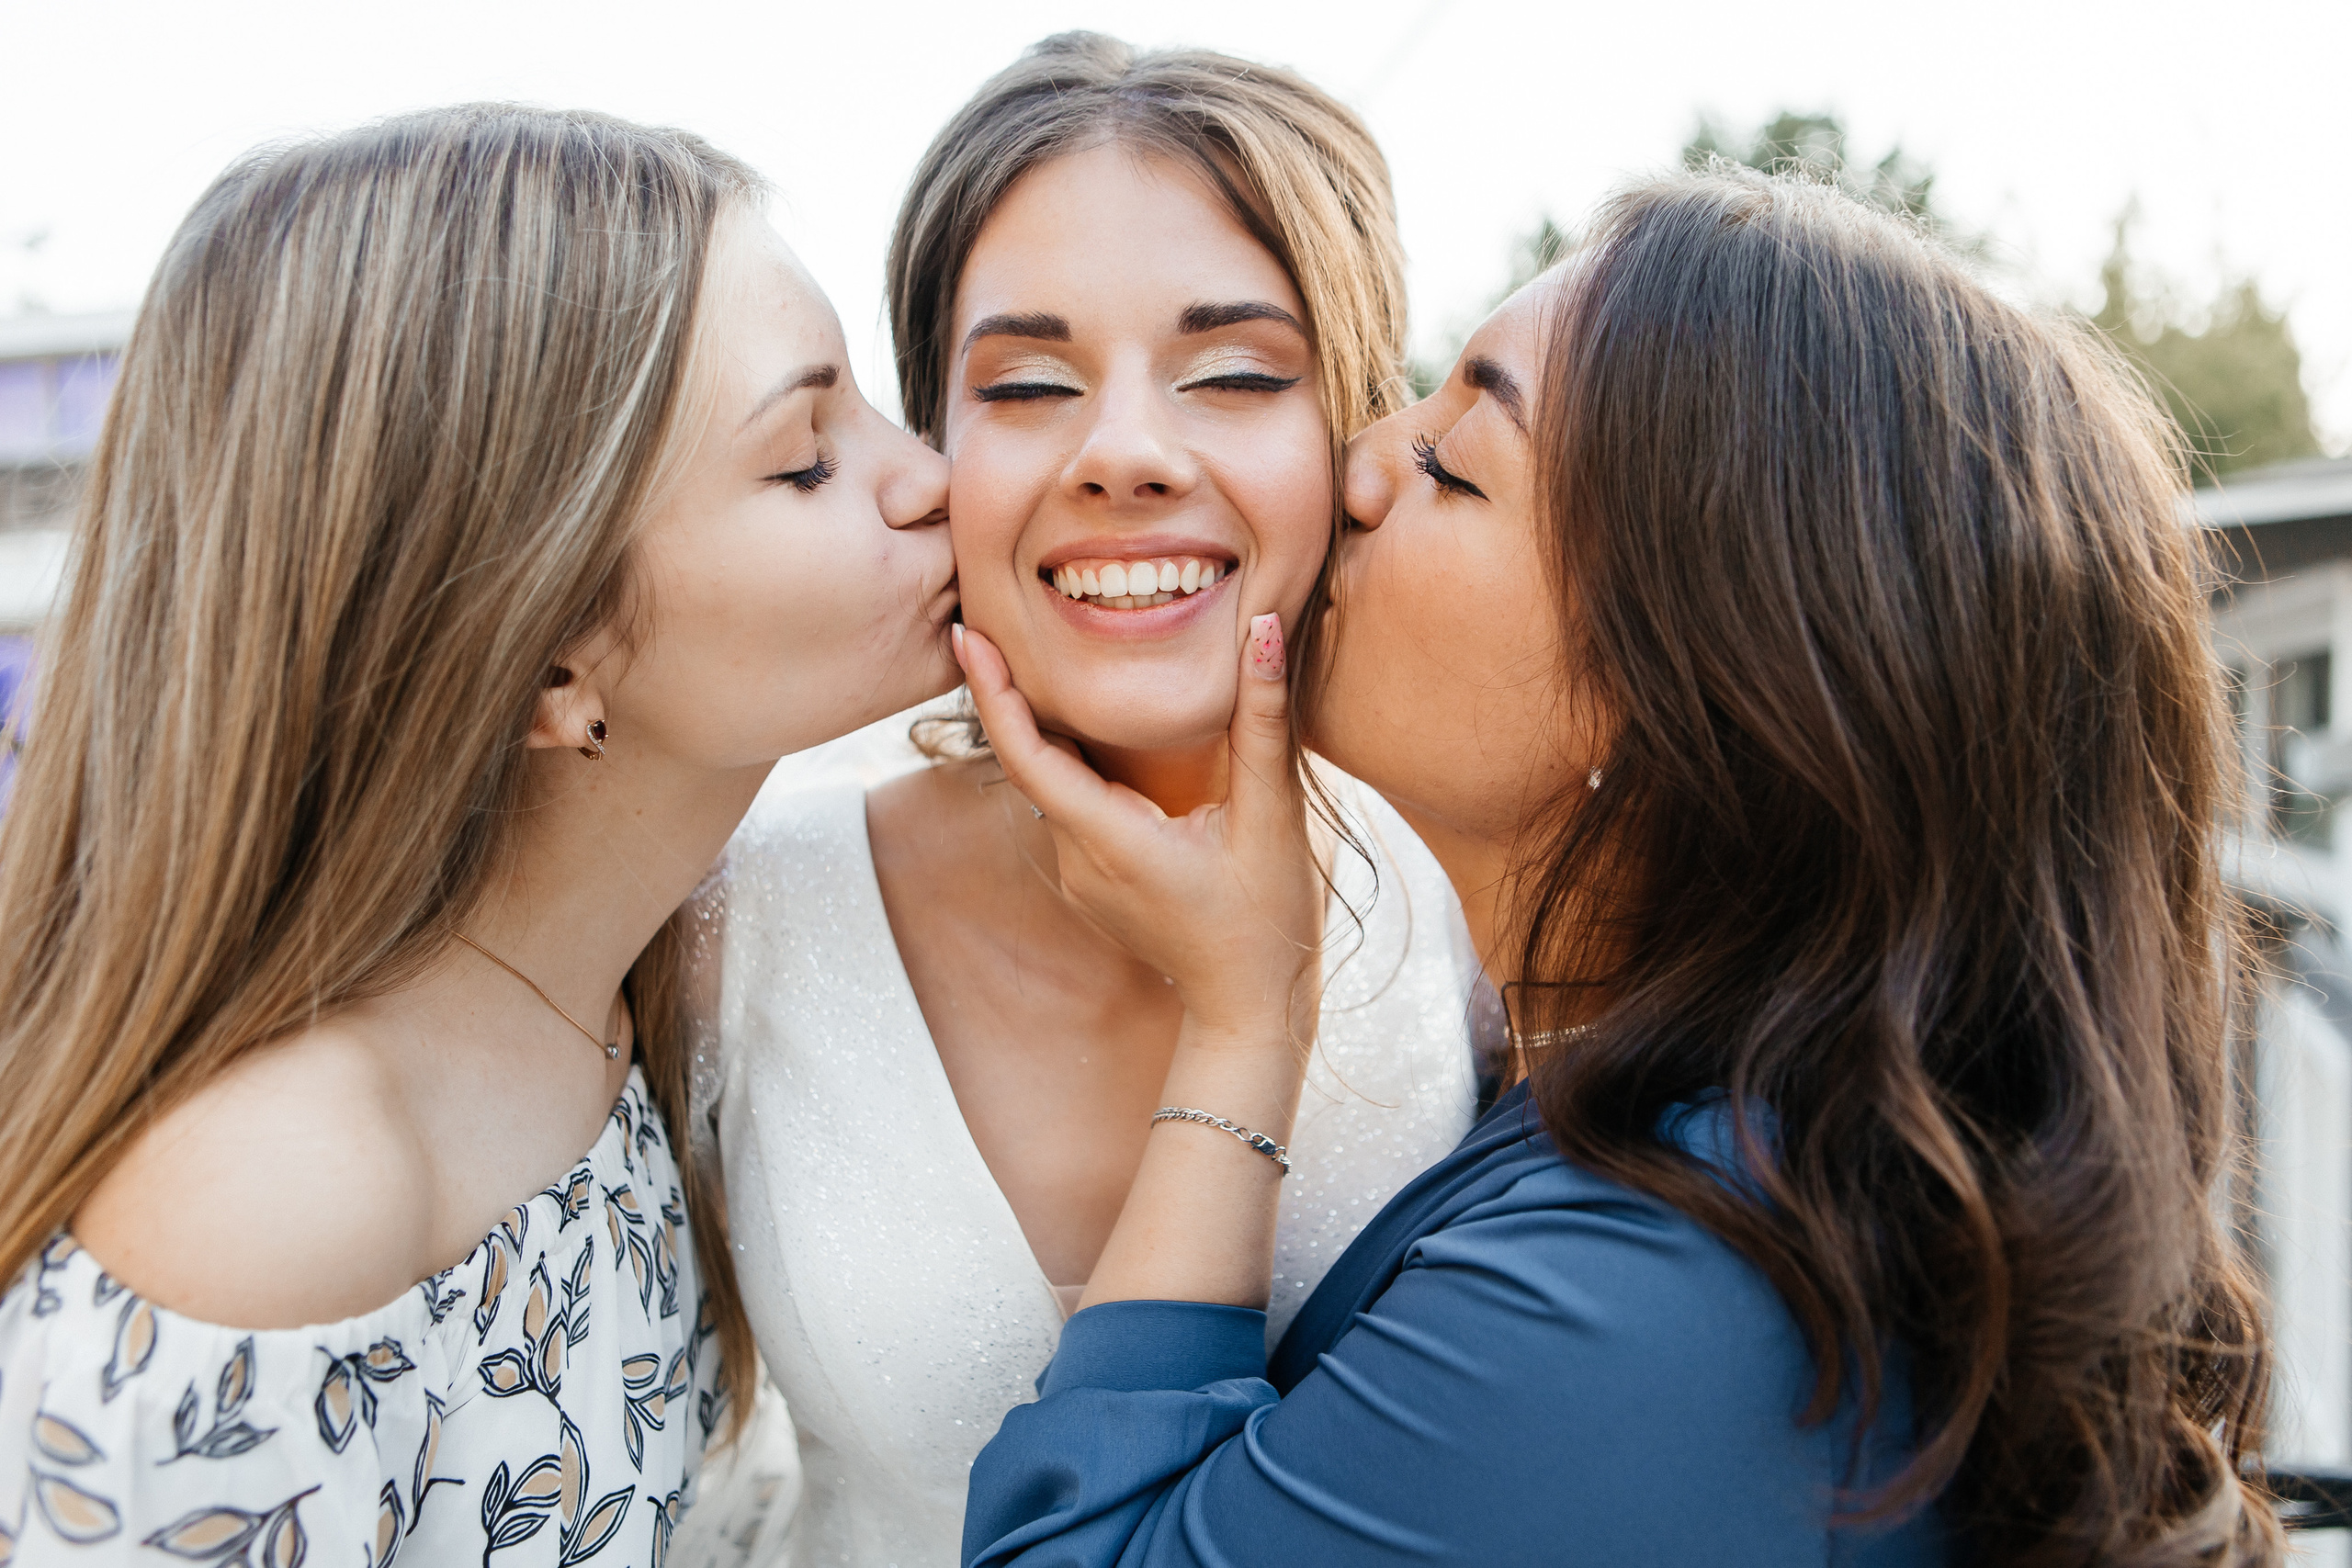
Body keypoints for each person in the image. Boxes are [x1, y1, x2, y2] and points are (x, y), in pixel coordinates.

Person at [953, 166, 2281, 1564]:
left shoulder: (1673, 1289)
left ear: (1685, 693)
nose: (1358, 465)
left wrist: (1242, 1021)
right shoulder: (1691, 1137)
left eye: (1456, 467)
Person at [0, 105, 957, 1565]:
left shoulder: (637, 980)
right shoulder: (278, 1197)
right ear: (544, 656)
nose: (930, 475)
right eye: (805, 458)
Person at [701, 33, 1476, 1565]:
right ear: (938, 454)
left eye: (1239, 374)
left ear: (1357, 439)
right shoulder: (732, 914)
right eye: (1031, 382)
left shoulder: (1472, 880)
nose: (1124, 452)